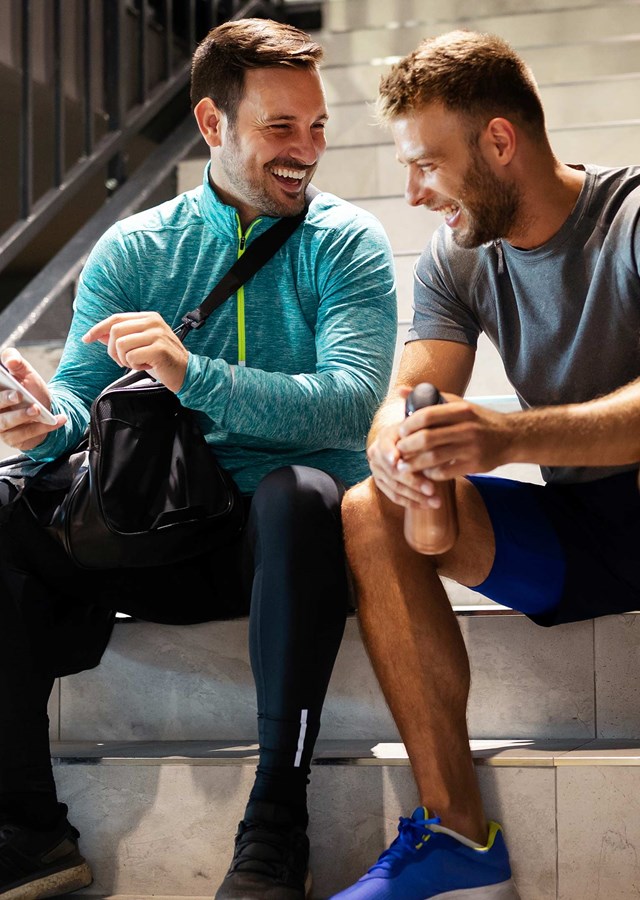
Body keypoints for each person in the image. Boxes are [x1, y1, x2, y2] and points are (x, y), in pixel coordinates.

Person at [0, 18, 397, 900]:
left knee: (301, 493)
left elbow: (347, 399)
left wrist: (192, 373)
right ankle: (27, 827)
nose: (308, 151)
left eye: (319, 126)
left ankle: (274, 829)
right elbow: (81, 412)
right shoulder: (138, 248)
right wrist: (37, 421)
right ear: (213, 126)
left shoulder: (347, 242)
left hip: (284, 550)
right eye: (281, 129)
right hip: (162, 529)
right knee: (4, 503)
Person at [331, 28, 640, 900]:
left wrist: (510, 438)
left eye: (428, 164)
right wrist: (398, 448)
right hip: (584, 538)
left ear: (499, 142)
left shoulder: (631, 222)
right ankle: (458, 839)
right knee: (367, 508)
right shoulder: (458, 258)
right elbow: (411, 389)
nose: (413, 191)